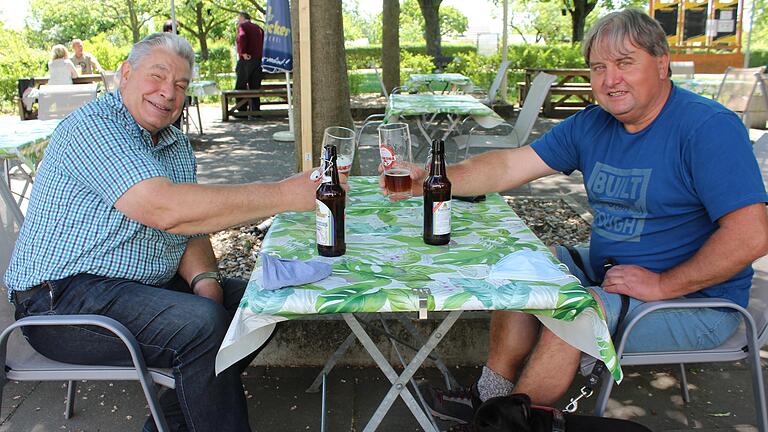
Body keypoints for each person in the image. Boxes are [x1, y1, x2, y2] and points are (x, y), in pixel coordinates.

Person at [397, 9, 768, 426]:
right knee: (526, 264)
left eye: (626, 63)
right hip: (615, 272)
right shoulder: (593, 125)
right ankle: (490, 396)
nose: (611, 80)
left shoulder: (707, 127)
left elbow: (752, 235)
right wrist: (432, 178)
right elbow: (506, 168)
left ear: (662, 64)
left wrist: (664, 283)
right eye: (599, 67)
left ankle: (511, 423)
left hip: (698, 304)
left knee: (576, 308)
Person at [5, 32, 319, 432]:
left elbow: (190, 225)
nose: (167, 93)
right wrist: (283, 194)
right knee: (202, 325)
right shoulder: (95, 128)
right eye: (157, 76)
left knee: (260, 304)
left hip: (135, 287)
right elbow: (165, 210)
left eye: (180, 85)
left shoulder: (173, 143)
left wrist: (206, 280)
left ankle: (167, 425)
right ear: (125, 74)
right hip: (60, 300)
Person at [235, 11, 264, 115]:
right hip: (258, 60)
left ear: (242, 18)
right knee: (255, 86)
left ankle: (241, 111)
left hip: (247, 60)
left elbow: (242, 37)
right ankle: (256, 111)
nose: (238, 21)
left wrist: (242, 52)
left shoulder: (242, 26)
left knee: (240, 85)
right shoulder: (258, 28)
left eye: (239, 18)